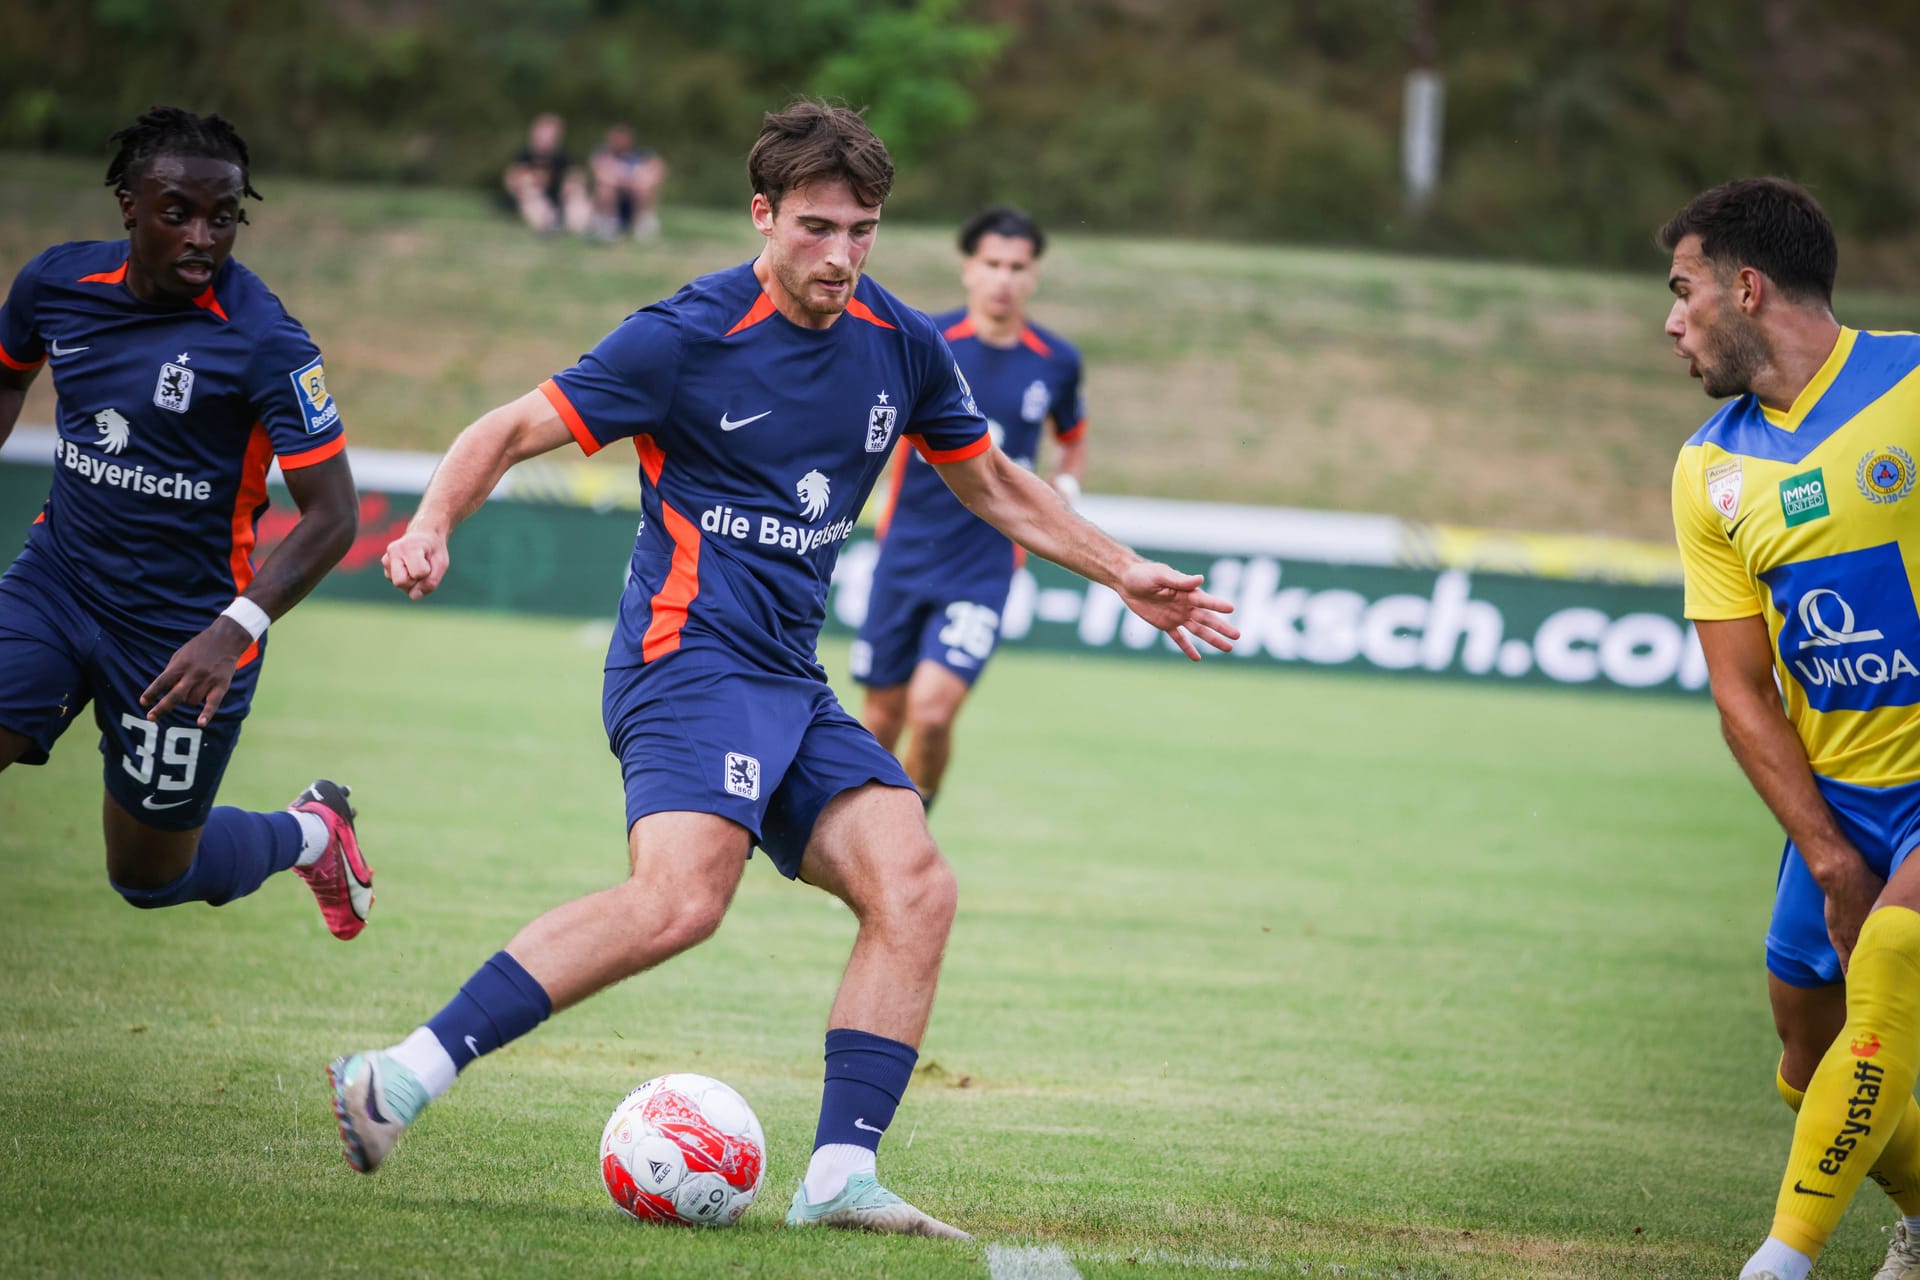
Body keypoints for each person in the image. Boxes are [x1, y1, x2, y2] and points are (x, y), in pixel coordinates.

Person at [329, 100, 1236, 1238]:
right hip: (685, 657)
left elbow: (994, 482)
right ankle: (399, 1074)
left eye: (862, 230)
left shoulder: (902, 342)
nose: (841, 255)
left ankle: (838, 1175)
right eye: (816, 227)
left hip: (787, 678)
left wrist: (1120, 570)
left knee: (914, 885)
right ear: (762, 214)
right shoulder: (685, 334)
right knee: (680, 901)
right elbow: (509, 428)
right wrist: (432, 524)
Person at [0, 106, 372, 939]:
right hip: (55, 586)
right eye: (179, 214)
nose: (203, 236)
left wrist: (231, 633)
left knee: (147, 876)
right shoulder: (56, 285)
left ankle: (312, 832)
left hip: (184, 635)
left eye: (225, 217)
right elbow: (6, 372)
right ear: (130, 205)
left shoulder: (265, 341)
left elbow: (335, 514)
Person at [1662, 178, 1920, 1280]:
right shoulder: (1707, 472)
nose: (1671, 321)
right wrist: (1826, 851)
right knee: (1804, 1063)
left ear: (1746, 286)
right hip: (1841, 803)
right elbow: (1740, 691)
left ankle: (1782, 1259)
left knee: (1898, 951)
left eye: (1682, 291)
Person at [852, 206, 1085, 810]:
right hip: (904, 554)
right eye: (992, 264)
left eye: (1017, 266)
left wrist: (1067, 485)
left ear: (1034, 275)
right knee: (880, 715)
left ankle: (909, 826)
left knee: (930, 715)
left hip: (984, 563)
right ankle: (866, 837)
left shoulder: (1055, 360)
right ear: (968, 269)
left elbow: (1074, 434)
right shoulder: (925, 343)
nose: (1003, 278)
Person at [503, 112, 591, 236]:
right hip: (532, 200)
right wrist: (532, 180)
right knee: (531, 192)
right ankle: (547, 225)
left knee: (577, 193)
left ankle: (580, 227)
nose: (548, 138)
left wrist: (571, 184)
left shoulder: (561, 156)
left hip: (558, 199)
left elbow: (575, 174)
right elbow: (512, 179)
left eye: (552, 134)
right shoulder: (525, 155)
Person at [590, 123, 667, 241]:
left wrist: (641, 182)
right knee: (605, 188)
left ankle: (643, 224)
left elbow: (659, 169)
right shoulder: (603, 152)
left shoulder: (642, 153)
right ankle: (608, 224)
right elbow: (600, 174)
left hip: (635, 195)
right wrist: (628, 182)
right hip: (615, 196)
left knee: (644, 188)